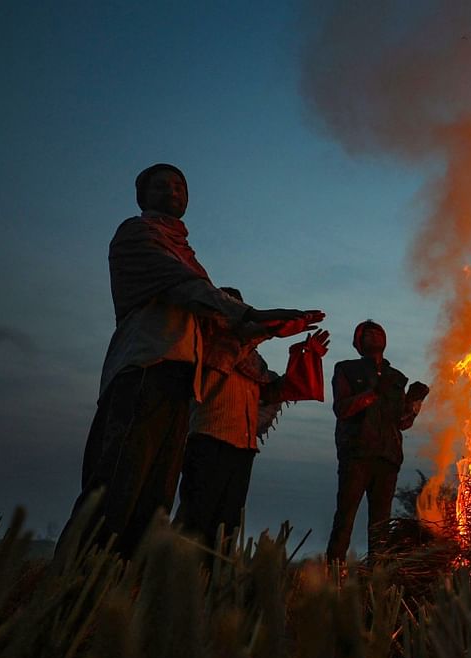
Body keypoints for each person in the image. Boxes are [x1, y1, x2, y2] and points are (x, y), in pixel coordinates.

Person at [58, 163, 322, 560]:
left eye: (180, 185)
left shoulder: (185, 253)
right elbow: (192, 294)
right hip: (146, 367)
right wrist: (254, 316)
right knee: (120, 484)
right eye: (161, 185)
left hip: (180, 378)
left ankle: (125, 587)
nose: (173, 190)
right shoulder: (138, 234)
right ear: (142, 196)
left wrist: (270, 326)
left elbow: (219, 319)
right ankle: (74, 586)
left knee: (155, 498)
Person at [174, 286, 331, 551]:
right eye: (229, 305)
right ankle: (177, 576)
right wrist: (269, 328)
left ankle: (211, 582)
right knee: (197, 518)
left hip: (242, 447)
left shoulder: (252, 359)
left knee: (227, 522)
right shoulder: (206, 342)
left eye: (237, 305)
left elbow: (272, 392)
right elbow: (231, 351)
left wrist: (306, 356)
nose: (234, 311)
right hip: (209, 438)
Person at [326, 320, 428, 563]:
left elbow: (401, 422)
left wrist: (414, 403)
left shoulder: (396, 378)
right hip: (357, 454)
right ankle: (334, 579)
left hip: (388, 458)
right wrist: (373, 393)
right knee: (345, 518)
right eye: (367, 333)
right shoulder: (346, 369)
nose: (373, 335)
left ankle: (377, 580)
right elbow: (342, 409)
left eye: (377, 332)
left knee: (380, 525)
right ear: (358, 343)